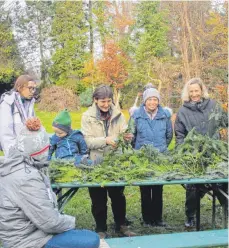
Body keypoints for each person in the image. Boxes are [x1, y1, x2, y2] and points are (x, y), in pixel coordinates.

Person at [0, 117, 100, 248]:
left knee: (81, 235)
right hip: (26, 241)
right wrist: (71, 222)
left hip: (29, 231)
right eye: (47, 148)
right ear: (40, 151)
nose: (49, 151)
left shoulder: (20, 164)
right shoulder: (26, 178)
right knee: (92, 240)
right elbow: (49, 222)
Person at [81, 85, 136, 239]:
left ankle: (121, 225)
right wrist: (105, 140)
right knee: (98, 199)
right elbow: (88, 142)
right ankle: (100, 228)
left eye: (109, 101)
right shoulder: (87, 117)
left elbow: (124, 131)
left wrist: (127, 137)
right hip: (96, 163)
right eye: (102, 102)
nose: (106, 105)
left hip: (115, 163)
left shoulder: (118, 114)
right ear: (95, 100)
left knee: (118, 196)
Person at [174, 77, 228, 228]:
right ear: (188, 93)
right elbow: (179, 135)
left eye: (196, 90)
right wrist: (183, 153)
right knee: (193, 187)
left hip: (214, 155)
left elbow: (225, 122)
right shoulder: (183, 111)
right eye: (191, 91)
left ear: (202, 90)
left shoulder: (213, 105)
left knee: (222, 182)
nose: (194, 94)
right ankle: (190, 215)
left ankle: (226, 208)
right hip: (194, 156)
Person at [131, 88, 173, 227]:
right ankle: (147, 219)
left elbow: (169, 135)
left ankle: (157, 218)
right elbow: (132, 136)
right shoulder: (136, 116)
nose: (152, 102)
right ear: (145, 101)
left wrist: (161, 148)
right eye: (150, 99)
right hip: (142, 157)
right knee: (145, 189)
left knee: (157, 188)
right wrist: (138, 151)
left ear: (158, 101)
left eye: (155, 99)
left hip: (159, 157)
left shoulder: (164, 116)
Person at [0, 74, 37, 156]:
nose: (33, 91)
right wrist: (14, 156)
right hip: (15, 155)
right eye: (30, 88)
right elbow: (6, 134)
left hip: (28, 152)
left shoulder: (30, 103)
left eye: (34, 88)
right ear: (19, 87)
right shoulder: (8, 103)